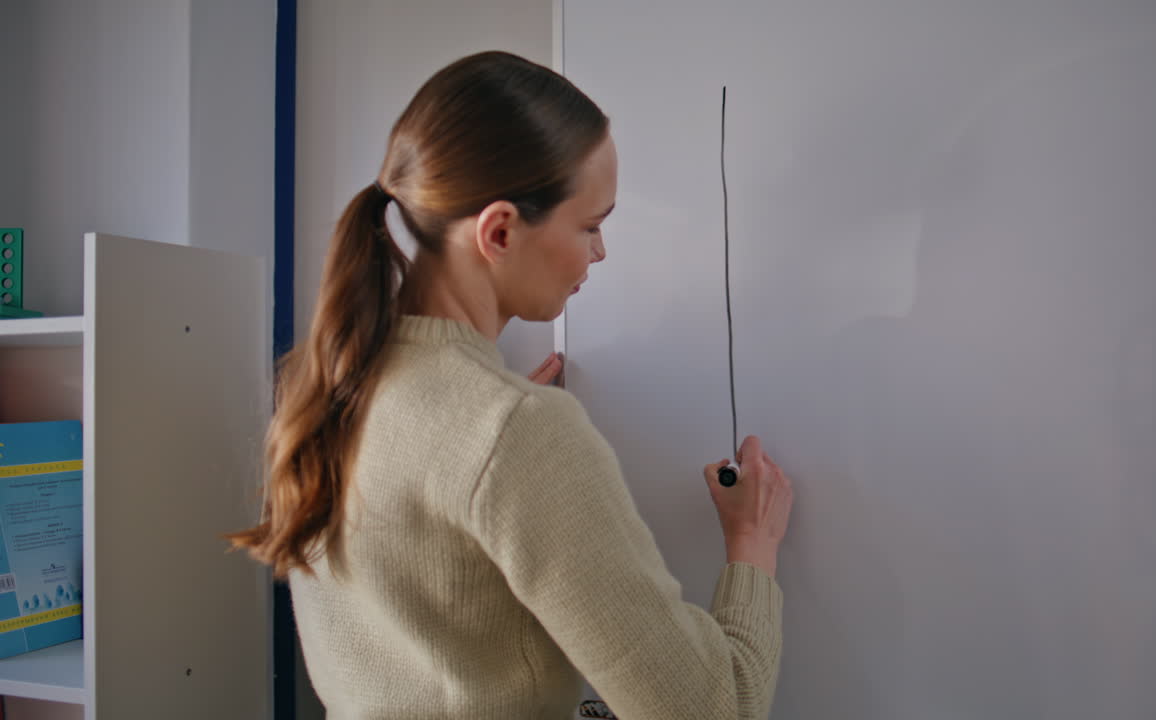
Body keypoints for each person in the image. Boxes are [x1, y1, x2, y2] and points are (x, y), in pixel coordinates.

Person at [228, 50, 794, 719]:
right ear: (499, 230)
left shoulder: (328, 386)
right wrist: (752, 549)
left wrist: (496, 435)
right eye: (590, 225)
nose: (600, 251)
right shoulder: (513, 433)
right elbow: (714, 709)